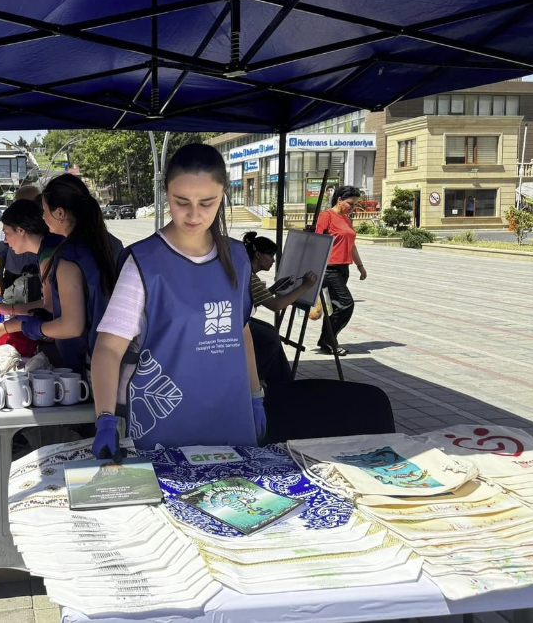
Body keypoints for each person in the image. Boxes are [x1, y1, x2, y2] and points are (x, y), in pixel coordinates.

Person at [90, 143, 264, 457]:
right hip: (165, 428)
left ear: (222, 194)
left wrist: (255, 394)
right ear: (166, 192)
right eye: (181, 201)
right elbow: (107, 347)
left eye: (207, 202)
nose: (194, 214)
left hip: (232, 418)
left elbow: (242, 332)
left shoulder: (238, 257)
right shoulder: (144, 263)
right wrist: (104, 417)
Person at [0, 175, 119, 378]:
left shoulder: (66, 257)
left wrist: (35, 327)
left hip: (90, 361)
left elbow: (71, 325)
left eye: (44, 211)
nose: (42, 218)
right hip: (113, 353)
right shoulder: (108, 242)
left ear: (59, 213)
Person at [241, 231, 317, 386]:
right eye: (270, 255)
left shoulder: (246, 271)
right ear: (258, 255)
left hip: (239, 318)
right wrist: (305, 287)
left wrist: (275, 287)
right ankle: (254, 378)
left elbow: (254, 300)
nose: (273, 260)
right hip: (237, 322)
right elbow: (276, 306)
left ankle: (282, 382)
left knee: (270, 331)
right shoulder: (249, 275)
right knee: (270, 338)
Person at [314, 185, 368, 356]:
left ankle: (327, 341)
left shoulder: (346, 219)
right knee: (346, 304)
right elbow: (318, 242)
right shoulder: (326, 216)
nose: (352, 208)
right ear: (339, 200)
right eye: (350, 203)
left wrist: (360, 266)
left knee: (334, 307)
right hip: (328, 268)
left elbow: (351, 246)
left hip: (344, 268)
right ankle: (329, 340)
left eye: (355, 205)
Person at [0, 185, 41, 297]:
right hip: (12, 277)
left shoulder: (48, 253)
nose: (6, 239)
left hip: (37, 278)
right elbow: (0, 254)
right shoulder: (10, 225)